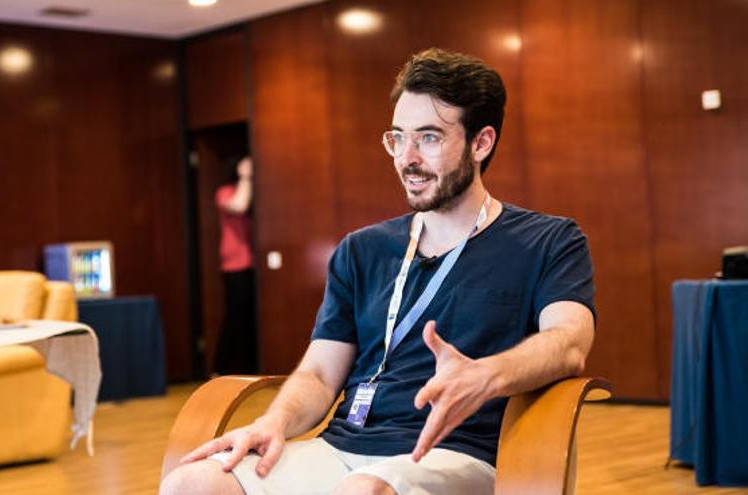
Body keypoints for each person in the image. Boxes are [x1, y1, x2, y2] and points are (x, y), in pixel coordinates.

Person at [161, 48, 595, 495]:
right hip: (343, 448)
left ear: (480, 143)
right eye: (397, 137)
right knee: (193, 482)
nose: (407, 158)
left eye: (428, 137)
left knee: (365, 491)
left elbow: (569, 342)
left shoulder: (548, 241)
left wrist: (487, 375)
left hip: (458, 454)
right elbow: (320, 375)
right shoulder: (361, 250)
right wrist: (273, 421)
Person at [214, 156, 258, 375]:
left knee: (252, 318)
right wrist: (246, 176)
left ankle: (251, 369)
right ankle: (220, 369)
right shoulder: (225, 192)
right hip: (234, 266)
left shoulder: (255, 190)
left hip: (253, 265)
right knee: (234, 318)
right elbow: (239, 206)